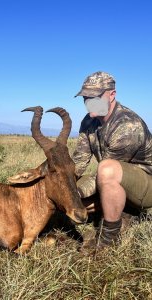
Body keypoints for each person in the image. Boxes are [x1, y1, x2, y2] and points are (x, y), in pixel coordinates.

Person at [72, 71, 152, 252]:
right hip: (112, 180)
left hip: (146, 187)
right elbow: (79, 161)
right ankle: (122, 212)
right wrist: (64, 184)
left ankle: (109, 238)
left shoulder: (127, 125)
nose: (88, 102)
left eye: (95, 97)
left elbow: (107, 171)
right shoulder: (88, 121)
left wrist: (75, 193)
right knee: (66, 195)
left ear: (112, 94)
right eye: (85, 97)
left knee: (106, 170)